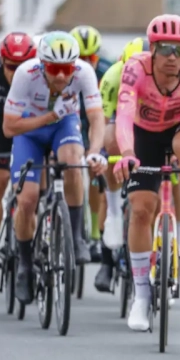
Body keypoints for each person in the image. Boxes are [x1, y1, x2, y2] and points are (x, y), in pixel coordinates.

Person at [112, 14, 180, 331]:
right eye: (166, 49)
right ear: (153, 49)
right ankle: (142, 296)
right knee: (141, 210)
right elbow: (123, 115)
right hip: (143, 134)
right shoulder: (136, 69)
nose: (173, 57)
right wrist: (128, 153)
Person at [3, 31, 107, 304]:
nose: (61, 76)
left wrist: (94, 151)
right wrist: (49, 115)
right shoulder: (26, 74)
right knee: (27, 200)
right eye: (54, 68)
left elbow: (97, 117)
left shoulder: (84, 72)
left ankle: (75, 236)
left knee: (73, 161)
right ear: (41, 64)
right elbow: (9, 126)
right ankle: (25, 266)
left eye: (66, 68)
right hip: (29, 130)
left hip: (64, 126)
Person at [0, 32, 38, 292]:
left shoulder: (39, 75)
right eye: (11, 66)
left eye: (23, 65)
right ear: (2, 61)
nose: (17, 72)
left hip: (29, 130)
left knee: (35, 192)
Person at [93, 36, 150, 293]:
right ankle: (107, 258)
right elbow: (102, 122)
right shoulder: (113, 77)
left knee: (167, 180)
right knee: (111, 169)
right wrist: (101, 154)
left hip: (151, 125)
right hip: (121, 121)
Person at [71, 25, 114, 262]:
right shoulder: (66, 71)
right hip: (75, 122)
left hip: (99, 120)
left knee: (97, 173)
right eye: (82, 58)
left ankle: (96, 236)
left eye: (92, 57)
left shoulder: (107, 71)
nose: (88, 63)